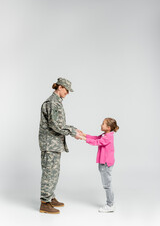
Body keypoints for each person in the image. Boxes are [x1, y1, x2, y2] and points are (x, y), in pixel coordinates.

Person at [39, 77, 81, 214]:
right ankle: (44, 203)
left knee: (54, 173)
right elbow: (55, 125)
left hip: (55, 144)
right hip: (49, 144)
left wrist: (72, 130)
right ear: (60, 87)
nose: (67, 93)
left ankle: (50, 197)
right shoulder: (52, 103)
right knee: (49, 173)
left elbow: (58, 125)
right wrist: (72, 131)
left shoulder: (57, 102)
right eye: (67, 90)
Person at [79, 118, 119, 213]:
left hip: (106, 164)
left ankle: (110, 205)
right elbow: (96, 138)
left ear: (108, 127)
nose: (101, 125)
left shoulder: (108, 136)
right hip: (103, 163)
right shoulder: (105, 134)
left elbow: (97, 142)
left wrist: (83, 138)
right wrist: (84, 135)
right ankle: (110, 204)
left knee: (107, 185)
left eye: (103, 124)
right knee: (106, 184)